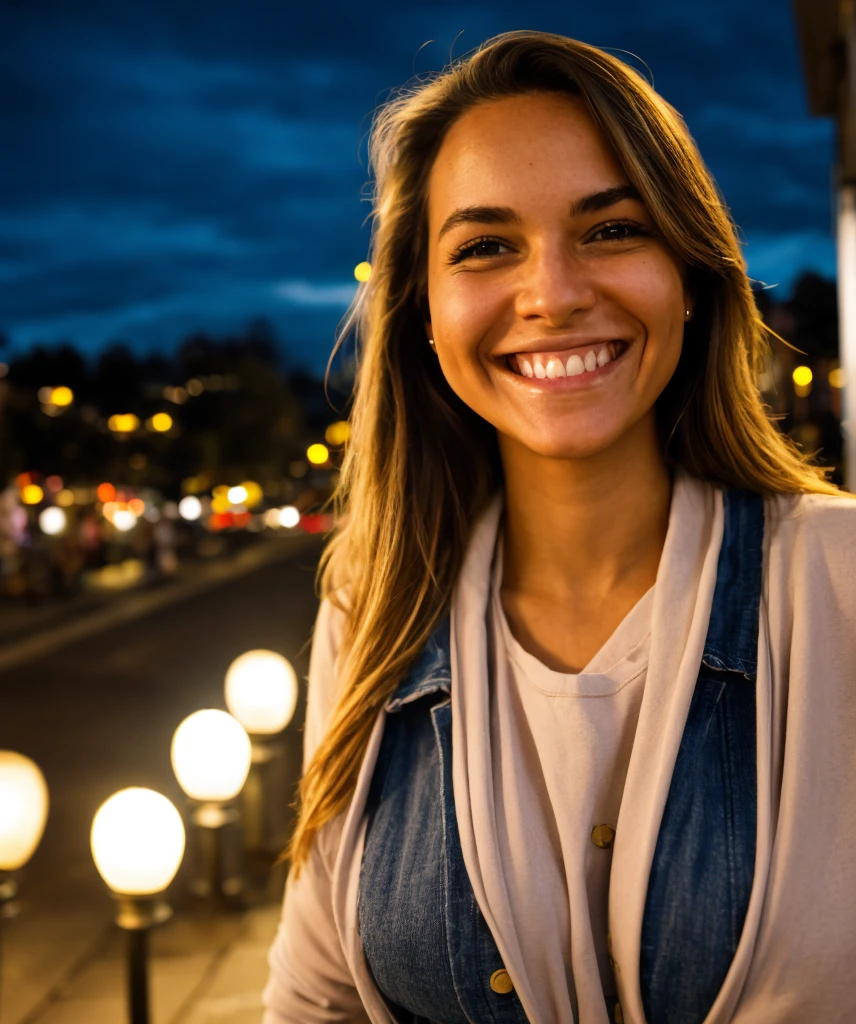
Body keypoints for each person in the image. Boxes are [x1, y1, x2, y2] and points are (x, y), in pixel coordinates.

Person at [262, 30, 856, 1024]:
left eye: (612, 229)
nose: (553, 294)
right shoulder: (371, 607)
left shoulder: (837, 579)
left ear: (690, 273)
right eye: (486, 246)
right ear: (423, 309)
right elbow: (315, 997)